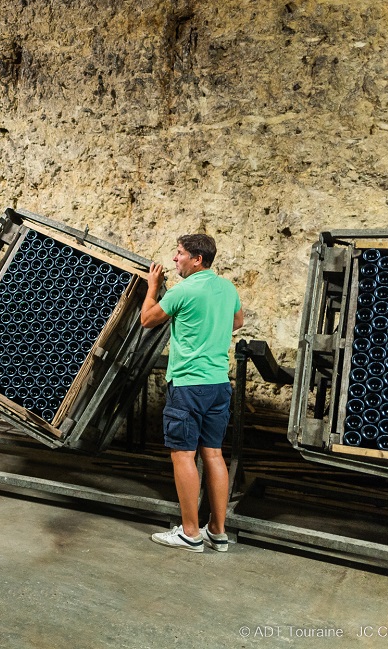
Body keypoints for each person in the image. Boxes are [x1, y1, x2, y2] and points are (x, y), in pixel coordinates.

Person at [140, 234, 244, 552]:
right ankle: (217, 530)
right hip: (218, 385)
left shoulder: (185, 290)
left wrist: (152, 287)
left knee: (183, 455)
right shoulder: (227, 288)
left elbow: (147, 320)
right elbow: (237, 322)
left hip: (188, 386)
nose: (175, 259)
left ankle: (189, 533)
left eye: (180, 254)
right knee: (213, 454)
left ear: (196, 259)